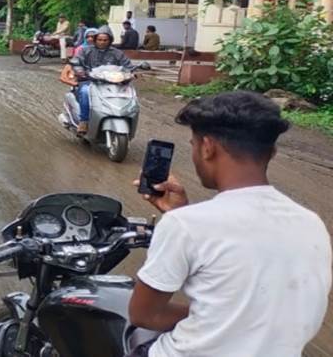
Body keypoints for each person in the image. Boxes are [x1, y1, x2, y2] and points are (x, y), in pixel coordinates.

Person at [126, 92, 332, 357]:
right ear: (272, 152)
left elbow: (144, 315)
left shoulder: (185, 225)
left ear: (208, 147)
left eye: (193, 144)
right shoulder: (311, 222)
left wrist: (224, 318)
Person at [68, 26, 133, 134]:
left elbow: (127, 65)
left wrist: (130, 73)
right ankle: (84, 121)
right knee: (84, 92)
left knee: (127, 93)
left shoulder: (117, 53)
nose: (102, 42)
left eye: (105, 40)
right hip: (89, 81)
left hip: (112, 83)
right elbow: (76, 61)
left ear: (110, 40)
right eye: (100, 40)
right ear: (95, 40)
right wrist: (80, 71)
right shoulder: (86, 50)